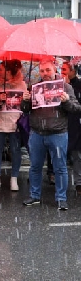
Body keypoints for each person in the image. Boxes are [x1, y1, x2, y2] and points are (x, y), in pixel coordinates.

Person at [22, 59, 81, 211]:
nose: (45, 74)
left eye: (48, 70)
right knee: (35, 166)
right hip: (37, 133)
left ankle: (61, 198)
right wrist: (25, 101)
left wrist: (66, 101)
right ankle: (35, 195)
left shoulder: (65, 87)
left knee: (60, 167)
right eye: (42, 71)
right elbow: (26, 110)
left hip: (58, 134)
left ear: (54, 70)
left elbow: (75, 108)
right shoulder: (34, 87)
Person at [0, 60, 26, 191]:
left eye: (1, 69)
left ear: (9, 71)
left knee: (15, 150)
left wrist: (25, 99)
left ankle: (14, 178)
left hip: (15, 122)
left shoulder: (22, 85)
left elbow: (25, 105)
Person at [61, 62, 81, 195]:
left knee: (77, 153)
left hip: (76, 123)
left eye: (65, 69)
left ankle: (79, 183)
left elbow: (77, 106)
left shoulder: (78, 85)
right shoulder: (58, 85)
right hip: (62, 124)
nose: (62, 72)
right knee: (64, 154)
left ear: (72, 71)